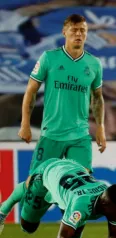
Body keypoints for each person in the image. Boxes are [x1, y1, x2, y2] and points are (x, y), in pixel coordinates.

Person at [0, 13, 106, 225]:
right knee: (34, 184)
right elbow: (30, 91)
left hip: (79, 136)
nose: (78, 34)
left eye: (83, 30)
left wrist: (100, 128)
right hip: (52, 133)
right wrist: (25, 124)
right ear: (64, 32)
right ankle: (3, 211)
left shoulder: (93, 64)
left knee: (79, 187)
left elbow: (98, 98)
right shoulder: (49, 58)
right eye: (74, 30)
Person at [0, 158, 116, 238]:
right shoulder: (82, 203)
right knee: (28, 226)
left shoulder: (111, 200)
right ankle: (5, 208)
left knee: (75, 228)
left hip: (72, 169)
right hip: (48, 171)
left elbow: (113, 235)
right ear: (105, 204)